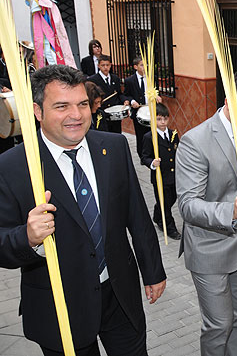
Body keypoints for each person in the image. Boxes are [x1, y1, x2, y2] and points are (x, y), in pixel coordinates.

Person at [0, 64, 166, 355]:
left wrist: (153, 272)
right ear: (38, 112)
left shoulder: (113, 147)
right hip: (60, 308)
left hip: (120, 298)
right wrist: (27, 238)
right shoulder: (12, 167)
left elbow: (136, 215)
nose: (76, 115)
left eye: (82, 104)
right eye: (62, 106)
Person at [176, 71, 237, 355]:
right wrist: (229, 211)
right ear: (229, 102)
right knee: (220, 324)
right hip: (209, 248)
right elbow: (187, 204)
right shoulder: (196, 141)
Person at [141, 102, 181, 241]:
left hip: (174, 176)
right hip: (160, 177)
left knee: (172, 199)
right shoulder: (149, 137)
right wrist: (152, 163)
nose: (163, 122)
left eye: (165, 118)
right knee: (164, 203)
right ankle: (169, 227)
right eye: (159, 119)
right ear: (153, 120)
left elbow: (178, 151)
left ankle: (158, 215)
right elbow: (144, 157)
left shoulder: (173, 134)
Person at [124, 57, 162, 158]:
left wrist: (157, 96)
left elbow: (156, 91)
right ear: (135, 67)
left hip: (150, 111)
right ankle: (143, 155)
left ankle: (154, 153)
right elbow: (126, 95)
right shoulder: (129, 80)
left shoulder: (151, 78)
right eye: (142, 65)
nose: (145, 67)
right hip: (138, 112)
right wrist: (132, 101)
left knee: (152, 133)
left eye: (146, 65)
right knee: (141, 135)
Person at [87, 55, 129, 134]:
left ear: (110, 65)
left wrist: (125, 100)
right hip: (102, 114)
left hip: (115, 115)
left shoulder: (115, 78)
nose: (105, 67)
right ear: (98, 65)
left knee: (117, 135)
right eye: (103, 65)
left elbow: (119, 94)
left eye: (107, 65)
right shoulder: (92, 80)